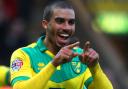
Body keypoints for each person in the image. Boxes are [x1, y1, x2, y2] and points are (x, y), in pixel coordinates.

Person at [10, 1, 113, 89]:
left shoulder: (81, 57)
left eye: (71, 22)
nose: (67, 27)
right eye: (60, 21)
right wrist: (53, 64)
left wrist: (95, 68)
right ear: (45, 24)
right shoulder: (24, 54)